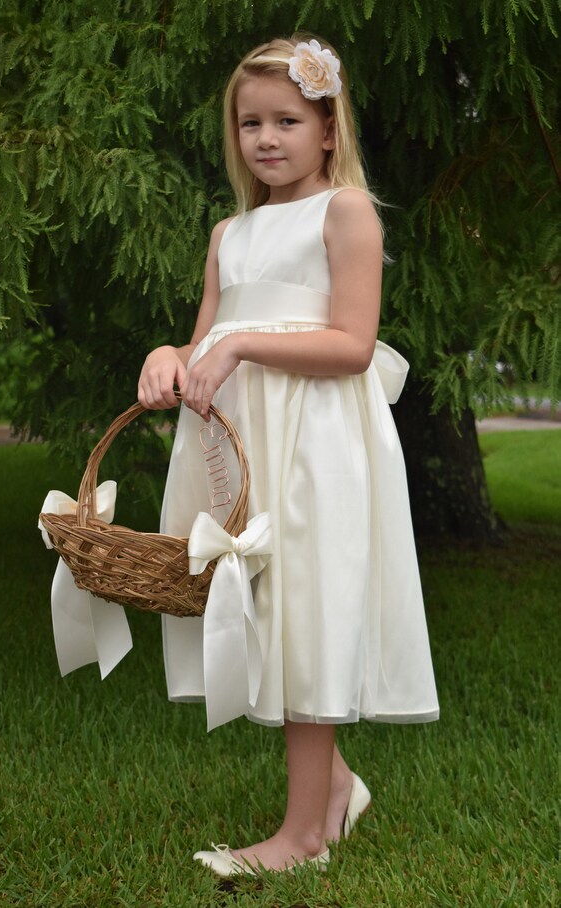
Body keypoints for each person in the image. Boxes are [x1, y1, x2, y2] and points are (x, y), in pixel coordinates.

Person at [137, 34, 439, 877]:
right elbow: (205, 345)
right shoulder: (229, 232)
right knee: (265, 606)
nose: (266, 139)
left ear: (328, 127)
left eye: (286, 121)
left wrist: (243, 351)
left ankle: (304, 837)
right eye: (248, 123)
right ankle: (333, 789)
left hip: (314, 440)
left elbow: (351, 343)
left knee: (306, 606)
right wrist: (171, 358)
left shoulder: (346, 213)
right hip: (243, 444)